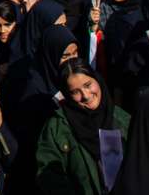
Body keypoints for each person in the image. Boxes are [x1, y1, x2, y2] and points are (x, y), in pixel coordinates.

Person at [36, 60, 130, 195]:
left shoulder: (123, 121)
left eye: (88, 85)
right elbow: (49, 176)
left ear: (97, 79)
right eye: (75, 91)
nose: (86, 95)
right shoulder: (57, 128)